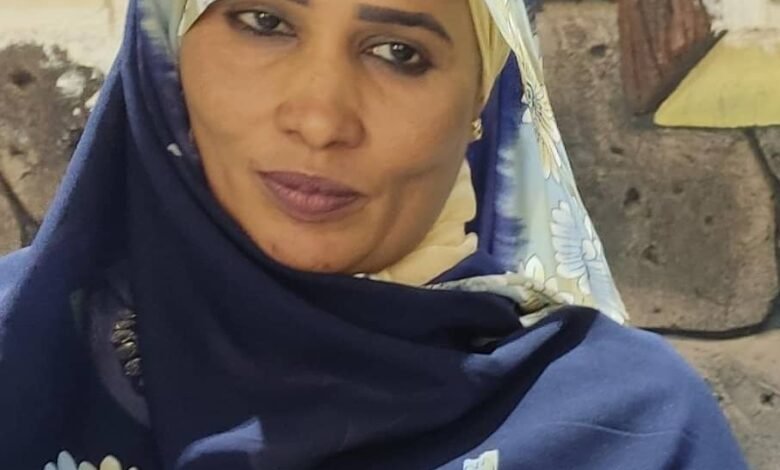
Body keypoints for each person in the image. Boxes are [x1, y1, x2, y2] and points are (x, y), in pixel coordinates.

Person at [0, 0, 747, 469]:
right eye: (265, 22)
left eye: (399, 52)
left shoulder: (628, 429)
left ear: (481, 97)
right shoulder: (18, 349)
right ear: (165, 52)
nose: (321, 119)